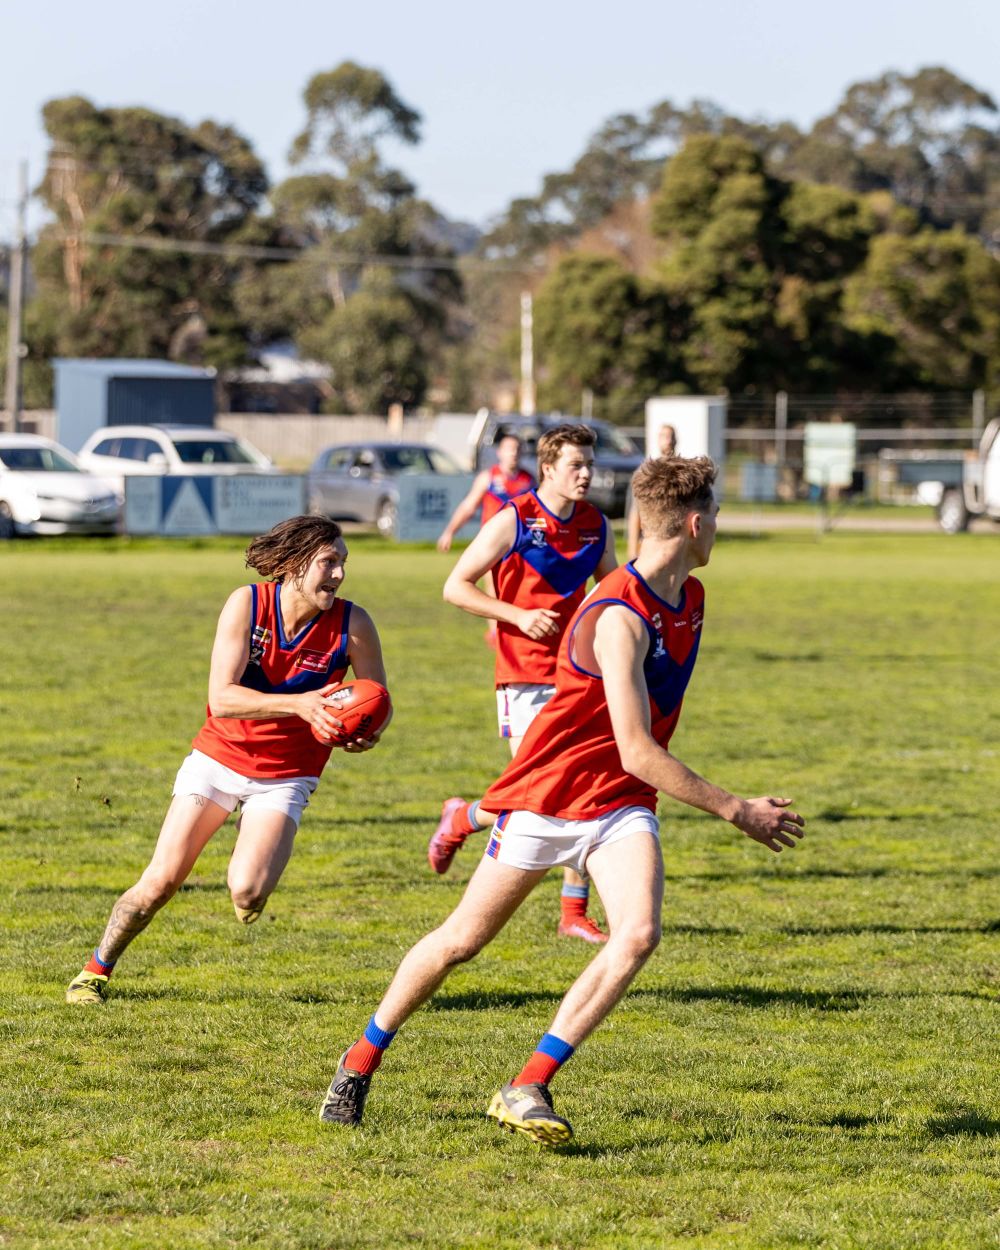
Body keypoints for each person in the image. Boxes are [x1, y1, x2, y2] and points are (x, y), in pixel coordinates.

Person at [319, 455, 804, 1143]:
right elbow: (638, 747)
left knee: (637, 934)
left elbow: (632, 764)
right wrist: (736, 809)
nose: (717, 528)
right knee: (461, 941)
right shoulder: (619, 617)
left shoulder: (690, 600)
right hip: (547, 800)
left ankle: (527, 1085)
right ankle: (360, 1059)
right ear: (696, 525)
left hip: (620, 806)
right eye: (716, 517)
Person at [65, 515, 390, 1005]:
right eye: (329, 562)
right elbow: (222, 698)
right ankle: (95, 971)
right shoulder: (248, 604)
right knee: (160, 882)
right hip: (218, 758)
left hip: (285, 775)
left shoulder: (353, 623)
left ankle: (250, 844)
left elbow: (377, 699)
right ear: (293, 565)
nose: (339, 574)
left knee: (248, 892)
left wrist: (365, 734)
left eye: (343, 562)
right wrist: (301, 704)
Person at [428, 423, 618, 944]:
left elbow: (613, 596)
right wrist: (515, 615)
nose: (586, 474)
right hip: (524, 674)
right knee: (534, 791)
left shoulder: (596, 525)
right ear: (549, 468)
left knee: (581, 782)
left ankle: (573, 911)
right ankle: (461, 817)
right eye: (576, 465)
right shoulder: (515, 519)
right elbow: (455, 587)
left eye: (589, 465)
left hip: (578, 676)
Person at [436, 432, 534, 553]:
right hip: (492, 538)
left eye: (517, 449)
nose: (514, 453)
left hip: (519, 540)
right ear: (500, 452)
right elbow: (468, 507)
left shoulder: (529, 480)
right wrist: (449, 532)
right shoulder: (488, 477)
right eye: (509, 449)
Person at [626, 423, 677, 560]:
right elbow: (636, 511)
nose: (669, 440)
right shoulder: (647, 472)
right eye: (664, 436)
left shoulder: (681, 474)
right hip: (651, 542)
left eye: (672, 436)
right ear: (658, 440)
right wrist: (632, 549)